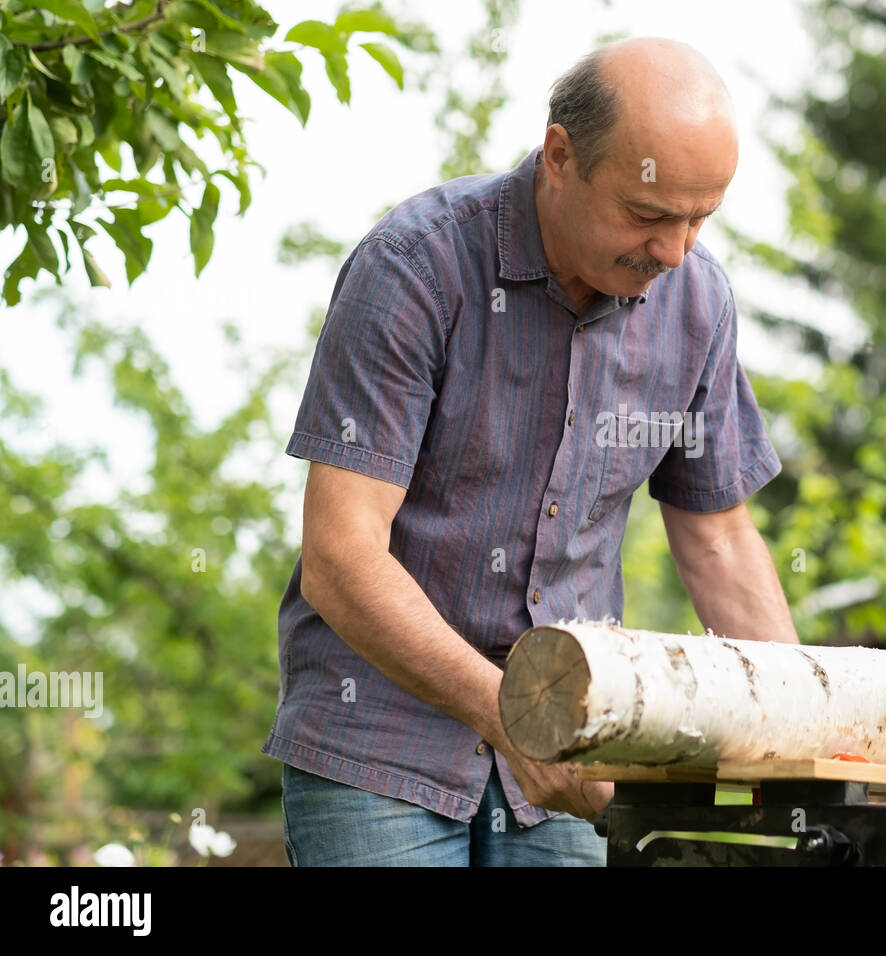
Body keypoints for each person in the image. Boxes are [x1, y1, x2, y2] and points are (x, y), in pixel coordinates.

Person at [263, 35, 801, 867]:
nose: (676, 252)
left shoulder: (699, 303)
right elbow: (340, 557)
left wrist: (803, 724)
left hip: (571, 752)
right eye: (651, 215)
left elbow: (720, 538)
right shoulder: (414, 267)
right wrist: (512, 718)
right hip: (377, 745)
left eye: (702, 219)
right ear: (561, 155)